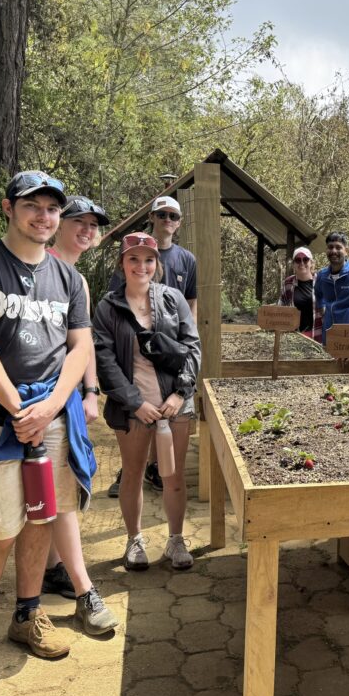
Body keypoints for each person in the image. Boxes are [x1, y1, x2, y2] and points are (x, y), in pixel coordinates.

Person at [0, 171, 99, 693]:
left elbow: (80, 348)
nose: (45, 216)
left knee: (42, 520)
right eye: (34, 205)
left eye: (54, 208)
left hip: (51, 417)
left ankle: (28, 615)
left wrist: (50, 406)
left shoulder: (69, 279)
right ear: (8, 208)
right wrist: (17, 408)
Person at [36, 196, 120, 637]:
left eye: (94, 225)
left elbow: (82, 342)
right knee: (58, 487)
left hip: (66, 395)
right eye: (79, 223)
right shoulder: (37, 264)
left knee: (64, 481)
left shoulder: (78, 282)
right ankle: (79, 586)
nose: (87, 231)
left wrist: (91, 391)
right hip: (37, 395)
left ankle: (53, 569)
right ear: (60, 225)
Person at [94, 233, 201, 572]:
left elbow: (192, 347)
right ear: (122, 264)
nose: (142, 266)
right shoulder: (108, 307)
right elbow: (104, 360)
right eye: (134, 259)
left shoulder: (172, 299)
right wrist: (135, 402)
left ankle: (176, 539)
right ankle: (134, 539)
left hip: (174, 407)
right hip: (134, 408)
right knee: (134, 475)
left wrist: (180, 393)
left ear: (157, 265)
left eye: (149, 260)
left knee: (173, 476)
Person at [108, 195, 197, 497]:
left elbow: (192, 305)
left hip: (172, 351)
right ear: (152, 218)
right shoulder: (130, 257)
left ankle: (159, 471)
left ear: (179, 222)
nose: (167, 221)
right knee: (139, 417)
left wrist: (185, 343)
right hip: (137, 353)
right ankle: (132, 470)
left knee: (169, 416)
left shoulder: (186, 259)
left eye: (173, 216)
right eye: (162, 215)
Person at [314, 231, 349, 343]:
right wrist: (322, 308)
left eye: (338, 247)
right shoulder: (322, 275)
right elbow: (318, 294)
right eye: (330, 247)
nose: (334, 251)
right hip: (329, 334)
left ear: (346, 251)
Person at [278, 246, 323, 341]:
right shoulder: (288, 283)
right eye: (298, 260)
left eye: (305, 259)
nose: (302, 263)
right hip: (294, 338)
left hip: (317, 336)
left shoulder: (321, 282)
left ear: (311, 263)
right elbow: (281, 308)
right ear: (293, 264)